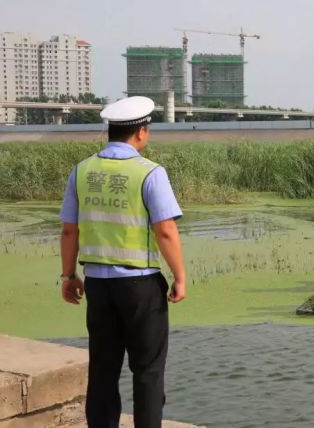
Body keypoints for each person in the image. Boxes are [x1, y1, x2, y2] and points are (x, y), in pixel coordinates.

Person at [59, 96, 187, 428]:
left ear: (110, 130)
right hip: (141, 286)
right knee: (148, 371)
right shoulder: (150, 173)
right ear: (141, 133)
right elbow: (166, 231)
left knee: (102, 370)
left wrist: (68, 275)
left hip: (98, 287)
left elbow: (69, 231)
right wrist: (180, 277)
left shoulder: (82, 171)